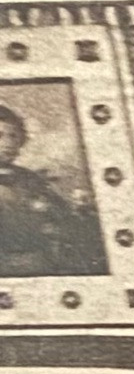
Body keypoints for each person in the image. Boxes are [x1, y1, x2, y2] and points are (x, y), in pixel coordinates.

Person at [0, 102, 107, 278]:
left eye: (13, 136)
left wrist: (78, 212)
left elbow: (60, 214)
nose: (8, 143)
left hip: (42, 260)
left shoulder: (29, 178)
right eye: (0, 135)